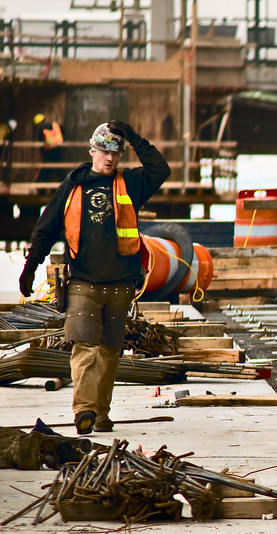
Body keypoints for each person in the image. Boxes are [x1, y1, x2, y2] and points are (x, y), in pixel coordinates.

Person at [19, 120, 170, 435]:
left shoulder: (130, 184)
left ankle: (101, 413)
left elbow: (160, 170)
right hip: (84, 284)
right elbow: (46, 227)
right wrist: (31, 265)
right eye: (104, 151)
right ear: (92, 151)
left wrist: (133, 135)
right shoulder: (73, 186)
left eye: (116, 152)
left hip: (121, 285)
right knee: (85, 348)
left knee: (110, 350)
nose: (110, 158)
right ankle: (85, 410)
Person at [33, 113, 64, 185]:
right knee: (60, 170)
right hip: (57, 149)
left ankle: (40, 188)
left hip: (48, 150)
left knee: (45, 170)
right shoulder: (54, 124)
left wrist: (42, 151)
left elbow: (41, 141)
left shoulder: (41, 127)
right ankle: (67, 185)